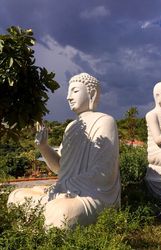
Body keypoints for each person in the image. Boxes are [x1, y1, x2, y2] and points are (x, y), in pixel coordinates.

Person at [8, 73, 121, 228]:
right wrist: (44, 147)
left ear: (92, 94)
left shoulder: (105, 121)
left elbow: (103, 173)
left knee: (63, 212)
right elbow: (59, 167)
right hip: (66, 190)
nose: (68, 97)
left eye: (74, 91)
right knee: (16, 196)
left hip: (92, 195)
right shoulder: (71, 127)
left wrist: (64, 186)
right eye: (68, 92)